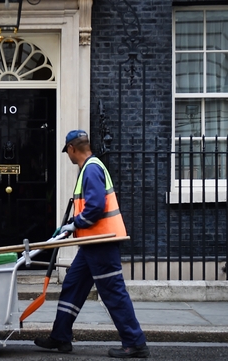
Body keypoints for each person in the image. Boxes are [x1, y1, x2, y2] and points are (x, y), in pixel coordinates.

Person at [34, 130, 150, 358]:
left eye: (66, 151)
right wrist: (71, 225)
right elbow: (89, 206)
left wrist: (75, 223)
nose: (67, 155)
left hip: (102, 243)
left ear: (71, 149)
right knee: (72, 287)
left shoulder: (91, 168)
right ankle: (60, 337)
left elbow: (96, 207)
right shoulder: (90, 168)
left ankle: (135, 343)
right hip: (91, 244)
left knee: (113, 293)